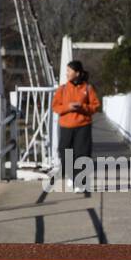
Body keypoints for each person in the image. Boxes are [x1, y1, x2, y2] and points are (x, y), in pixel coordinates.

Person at [51, 60, 101, 194]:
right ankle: (72, 176)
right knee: (64, 152)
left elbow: (96, 106)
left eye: (69, 71)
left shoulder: (87, 88)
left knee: (82, 153)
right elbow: (55, 107)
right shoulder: (62, 89)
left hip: (83, 125)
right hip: (66, 126)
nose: (66, 73)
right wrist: (68, 107)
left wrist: (82, 107)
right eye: (66, 71)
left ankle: (80, 181)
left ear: (77, 73)